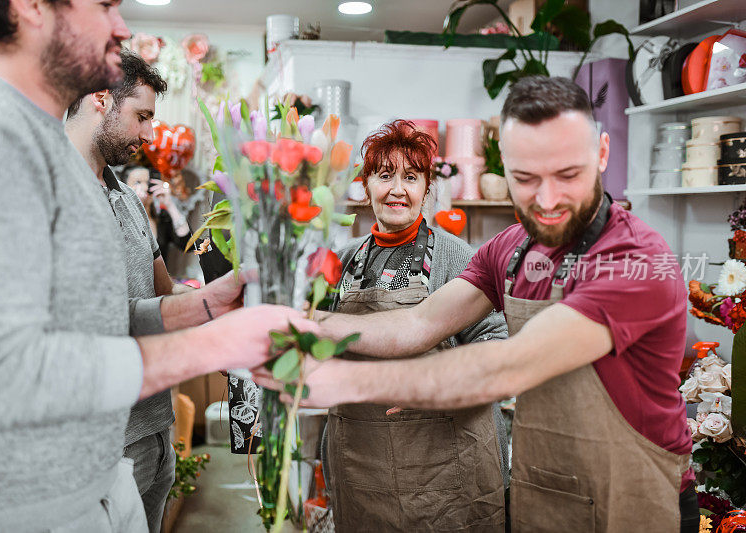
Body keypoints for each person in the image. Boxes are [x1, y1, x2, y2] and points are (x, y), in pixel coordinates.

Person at [256, 77, 699, 532]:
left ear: (602, 154)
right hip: (545, 493)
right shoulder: (510, 249)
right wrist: (306, 322)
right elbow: (418, 323)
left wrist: (341, 381)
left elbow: (508, 364)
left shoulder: (637, 259)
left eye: (568, 174)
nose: (546, 200)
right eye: (525, 178)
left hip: (633, 500)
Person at [0, 1, 312, 531]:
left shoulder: (57, 153)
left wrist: (210, 304)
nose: (121, 26)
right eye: (104, 5)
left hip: (92, 482)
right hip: (22, 507)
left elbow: (105, 319)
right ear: (29, 7)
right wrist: (214, 345)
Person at [64, 49, 233, 532]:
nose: (149, 135)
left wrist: (225, 317)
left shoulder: (126, 198)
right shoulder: (56, 192)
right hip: (98, 442)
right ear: (101, 99)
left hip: (154, 429)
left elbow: (165, 291)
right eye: (142, 116)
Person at [324, 120, 508, 531]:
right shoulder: (342, 261)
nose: (397, 190)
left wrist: (435, 383)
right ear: (365, 184)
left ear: (427, 188)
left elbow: (497, 340)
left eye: (411, 177)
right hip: (362, 463)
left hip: (446, 469)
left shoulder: (456, 256)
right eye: (385, 175)